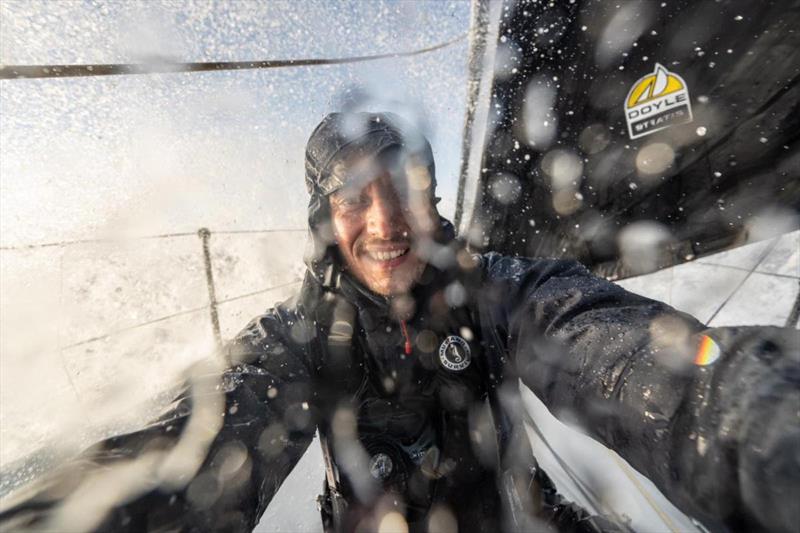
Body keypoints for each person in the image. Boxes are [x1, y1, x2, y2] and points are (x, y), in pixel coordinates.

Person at [1, 112, 798, 533]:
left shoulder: (494, 290)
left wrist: (756, 427)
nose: (386, 221)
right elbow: (196, 443)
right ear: (322, 217)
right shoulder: (298, 338)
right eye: (353, 193)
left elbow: (606, 344)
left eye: (405, 185)